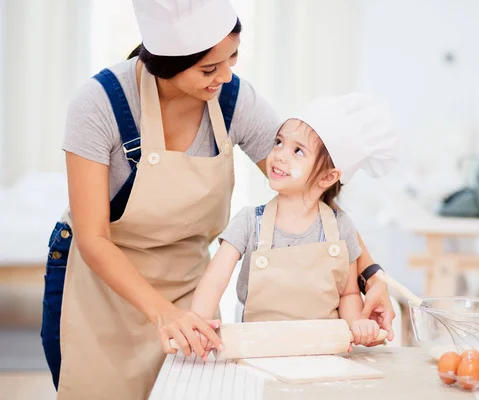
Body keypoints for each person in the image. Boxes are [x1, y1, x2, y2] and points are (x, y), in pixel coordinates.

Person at [39, 0, 396, 398]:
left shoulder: (232, 100)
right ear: (166, 64)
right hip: (99, 287)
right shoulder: (100, 104)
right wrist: (162, 313)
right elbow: (93, 239)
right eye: (209, 68)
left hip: (188, 286)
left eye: (233, 57)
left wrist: (372, 274)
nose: (225, 76)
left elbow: (312, 193)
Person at [190, 93, 398, 356]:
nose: (279, 155)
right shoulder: (249, 222)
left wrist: (358, 325)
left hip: (324, 356)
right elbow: (214, 280)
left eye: (298, 150)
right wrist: (198, 322)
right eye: (278, 142)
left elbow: (348, 294)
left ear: (328, 177)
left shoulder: (340, 228)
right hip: (259, 353)